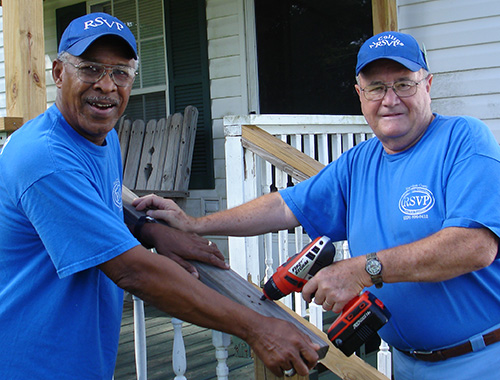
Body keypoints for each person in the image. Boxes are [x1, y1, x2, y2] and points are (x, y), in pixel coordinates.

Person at [134, 31, 500, 379]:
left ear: (428, 86)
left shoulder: (464, 139)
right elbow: (284, 206)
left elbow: (474, 245)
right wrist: (196, 224)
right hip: (408, 364)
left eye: (403, 83)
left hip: (482, 358)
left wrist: (362, 269)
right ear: (360, 94)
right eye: (376, 87)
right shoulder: (359, 162)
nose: (390, 99)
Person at [0, 13, 320, 379]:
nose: (106, 86)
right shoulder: (45, 157)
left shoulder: (103, 139)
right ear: (58, 73)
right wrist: (257, 327)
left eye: (121, 72)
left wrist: (149, 228)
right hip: (30, 361)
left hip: (81, 358)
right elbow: (132, 270)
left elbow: (101, 205)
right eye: (90, 69)